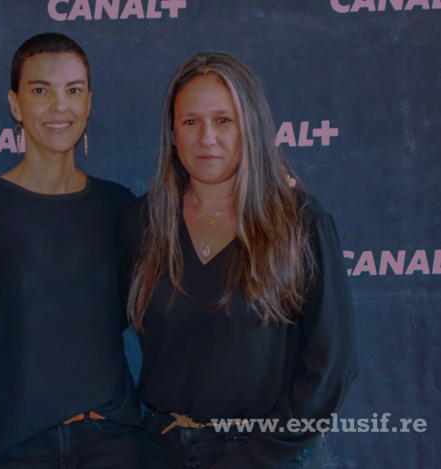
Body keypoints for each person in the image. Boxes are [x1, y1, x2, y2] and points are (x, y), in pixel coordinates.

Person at [123, 51, 359, 468]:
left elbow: (331, 368)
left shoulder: (299, 222)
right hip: (160, 451)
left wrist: (256, 457)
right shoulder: (143, 223)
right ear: (172, 134)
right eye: (190, 121)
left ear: (250, 127)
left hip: (269, 456)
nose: (206, 137)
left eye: (224, 120)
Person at [0, 33, 142, 469]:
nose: (60, 106)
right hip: (15, 447)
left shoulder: (121, 208)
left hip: (113, 442)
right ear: (15, 104)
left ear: (89, 102)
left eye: (73, 90)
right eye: (41, 90)